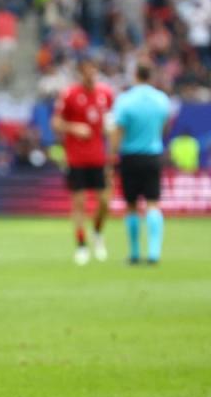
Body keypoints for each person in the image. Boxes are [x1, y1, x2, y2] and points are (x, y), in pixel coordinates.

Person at [51, 58, 115, 265]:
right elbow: (56, 122)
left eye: (93, 70)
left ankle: (97, 233)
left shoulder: (105, 94)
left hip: (98, 156)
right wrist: (73, 128)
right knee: (79, 203)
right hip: (76, 157)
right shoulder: (69, 94)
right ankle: (81, 245)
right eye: (87, 70)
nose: (91, 74)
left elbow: (111, 122)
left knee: (105, 202)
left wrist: (112, 141)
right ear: (81, 73)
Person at [110, 63, 172, 265]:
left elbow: (118, 131)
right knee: (153, 202)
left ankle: (135, 253)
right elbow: (164, 126)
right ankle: (154, 253)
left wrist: (112, 154)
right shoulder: (161, 99)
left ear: (135, 75)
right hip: (152, 155)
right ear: (151, 75)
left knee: (131, 205)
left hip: (130, 157)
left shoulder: (125, 100)